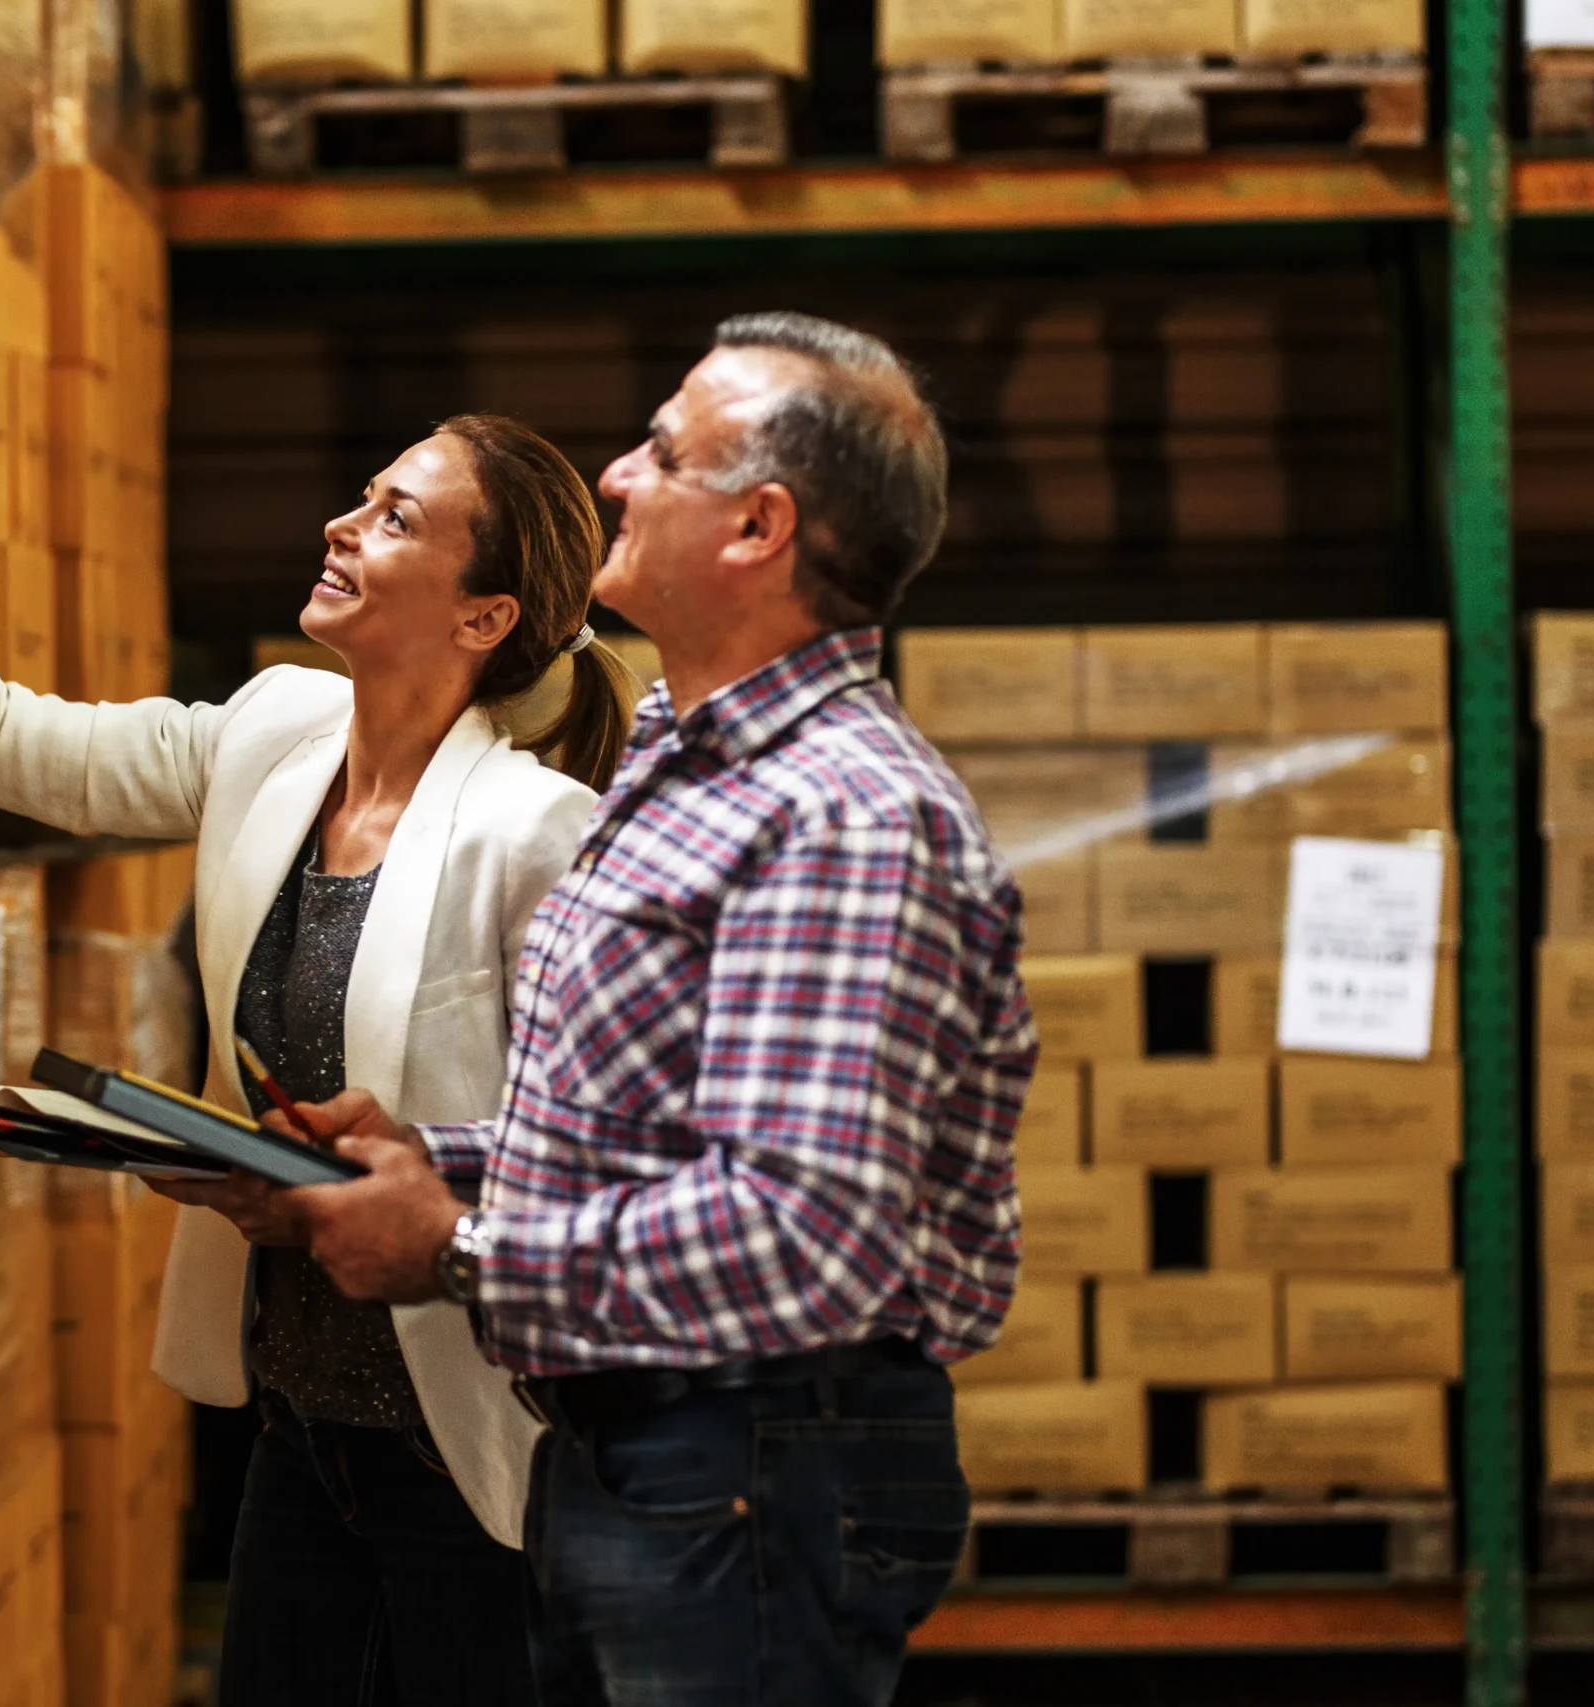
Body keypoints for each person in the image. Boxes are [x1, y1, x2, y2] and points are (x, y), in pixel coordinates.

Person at [0, 415, 638, 1707]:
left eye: (396, 516)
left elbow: (598, 1149)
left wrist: (366, 1183)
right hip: (298, 1425)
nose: (344, 523)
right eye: (363, 493)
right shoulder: (276, 733)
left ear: (482, 616)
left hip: (472, 1445)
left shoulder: (539, 833)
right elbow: (9, 742)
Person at [270, 313, 1035, 1707]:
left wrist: (454, 1245)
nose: (615, 473)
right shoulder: (687, 757)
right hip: (642, 1443)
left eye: (660, 453)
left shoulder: (844, 816)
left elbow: (801, 1237)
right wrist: (437, 1158)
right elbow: (657, 1130)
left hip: (749, 1462)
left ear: (757, 527)